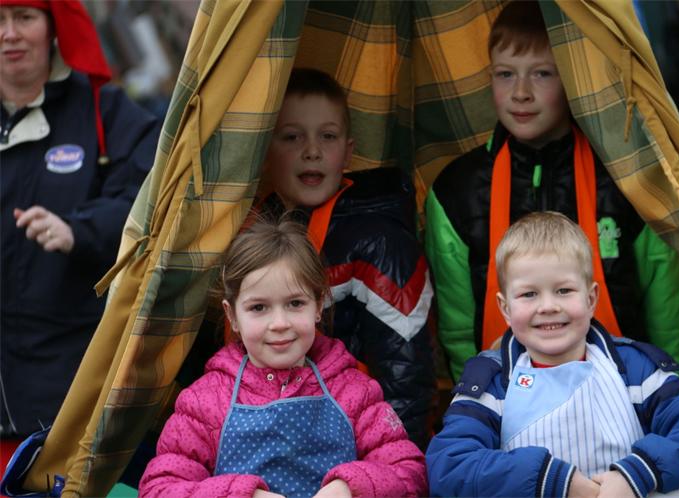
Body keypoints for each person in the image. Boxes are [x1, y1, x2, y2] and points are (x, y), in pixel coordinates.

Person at [424, 0, 679, 382]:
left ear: (573, 79)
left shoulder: (626, 178)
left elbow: (668, 309)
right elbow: (457, 328)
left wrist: (672, 390)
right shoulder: (456, 190)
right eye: (505, 74)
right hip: (507, 395)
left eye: (542, 74)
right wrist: (475, 395)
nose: (520, 92)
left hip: (625, 390)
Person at [426, 211, 679, 498]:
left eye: (564, 290)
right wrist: (551, 480)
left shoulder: (635, 370)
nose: (548, 306)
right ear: (505, 309)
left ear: (591, 299)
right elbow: (449, 466)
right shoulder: (492, 383)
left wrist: (640, 471)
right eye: (529, 294)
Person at [139, 217, 428, 498]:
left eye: (295, 303)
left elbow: (409, 473)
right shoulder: (205, 402)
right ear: (232, 315)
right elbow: (158, 489)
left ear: (318, 306)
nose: (279, 323)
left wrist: (351, 487)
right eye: (259, 308)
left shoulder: (355, 392)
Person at [246, 67, 435, 449]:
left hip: (356, 446)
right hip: (263, 433)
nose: (312, 150)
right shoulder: (245, 233)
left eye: (327, 136)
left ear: (348, 152)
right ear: (265, 151)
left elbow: (406, 386)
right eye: (292, 137)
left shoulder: (383, 245)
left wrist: (387, 467)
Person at [0, 0, 158, 455]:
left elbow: (153, 199)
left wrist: (79, 230)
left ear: (53, 27)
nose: (10, 34)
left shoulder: (106, 112)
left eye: (24, 17)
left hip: (71, 393)